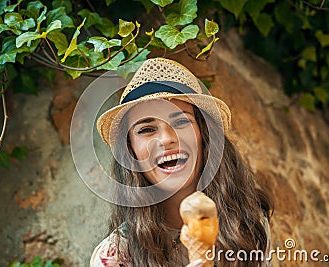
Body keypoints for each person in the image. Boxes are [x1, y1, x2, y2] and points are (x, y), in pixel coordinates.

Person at [90, 58, 272, 267]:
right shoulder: (115, 257)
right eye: (147, 129)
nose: (167, 138)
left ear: (204, 136)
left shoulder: (248, 223)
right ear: (131, 152)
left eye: (181, 121)